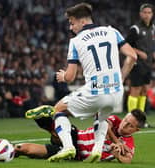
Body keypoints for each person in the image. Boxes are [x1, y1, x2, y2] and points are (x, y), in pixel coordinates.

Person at [26, 2, 137, 162]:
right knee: (102, 117)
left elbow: (71, 76)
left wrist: (62, 76)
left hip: (95, 91)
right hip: (116, 93)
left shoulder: (76, 41)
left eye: (72, 23)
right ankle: (97, 149)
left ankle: (68, 146)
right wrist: (120, 77)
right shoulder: (112, 31)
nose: (71, 27)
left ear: (82, 22)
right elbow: (133, 56)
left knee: (58, 110)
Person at [15, 109, 146, 164]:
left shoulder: (129, 141)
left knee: (27, 150)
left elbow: (128, 159)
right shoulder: (116, 120)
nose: (124, 125)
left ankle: (13, 151)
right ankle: (43, 117)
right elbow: (104, 123)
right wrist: (116, 141)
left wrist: (117, 155)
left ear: (136, 129)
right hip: (76, 137)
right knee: (57, 131)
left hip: (74, 155)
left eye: (129, 125)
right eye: (125, 120)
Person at [126, 3, 155, 113]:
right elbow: (126, 45)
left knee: (144, 91)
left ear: (152, 14)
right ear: (140, 14)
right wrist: (139, 52)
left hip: (147, 65)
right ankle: (131, 117)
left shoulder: (152, 28)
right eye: (145, 12)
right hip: (137, 64)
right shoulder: (135, 29)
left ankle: (140, 118)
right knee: (135, 90)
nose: (147, 15)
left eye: (149, 12)